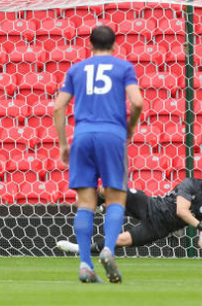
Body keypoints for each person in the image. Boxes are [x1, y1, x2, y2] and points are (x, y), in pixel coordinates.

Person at [53, 25, 143, 284]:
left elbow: (59, 107)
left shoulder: (76, 69)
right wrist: (130, 127)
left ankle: (85, 264)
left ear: (89, 45)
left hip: (82, 137)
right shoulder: (124, 67)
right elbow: (137, 102)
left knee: (85, 204)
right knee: (116, 200)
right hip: (112, 136)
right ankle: (108, 250)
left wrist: (62, 143)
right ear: (115, 46)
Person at [57, 163, 202, 259]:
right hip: (151, 205)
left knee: (120, 240)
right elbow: (181, 211)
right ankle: (98, 205)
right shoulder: (190, 183)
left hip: (160, 228)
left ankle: (79, 249)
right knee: (110, 188)